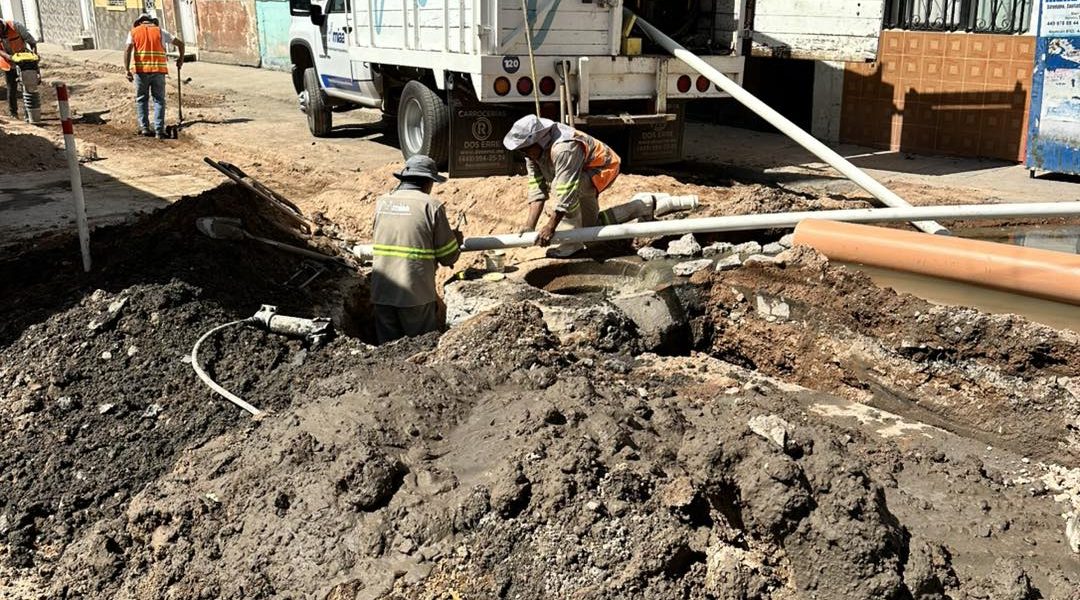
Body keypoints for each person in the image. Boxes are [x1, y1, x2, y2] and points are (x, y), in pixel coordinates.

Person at [371, 155, 463, 344]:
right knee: (420, 348)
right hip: (415, 295)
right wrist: (455, 240)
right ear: (428, 182)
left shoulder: (382, 202)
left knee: (386, 352)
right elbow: (448, 256)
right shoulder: (431, 206)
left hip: (381, 292)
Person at [503, 115, 621, 258]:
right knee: (591, 229)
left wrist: (551, 226)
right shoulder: (532, 153)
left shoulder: (564, 148)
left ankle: (571, 243)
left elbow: (567, 191)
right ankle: (643, 206)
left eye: (526, 150)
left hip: (603, 169)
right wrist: (530, 226)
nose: (524, 154)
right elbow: (537, 188)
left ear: (538, 142)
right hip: (583, 171)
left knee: (559, 186)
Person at [123, 14, 184, 139]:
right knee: (159, 100)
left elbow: (128, 49)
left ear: (139, 22)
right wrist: (180, 59)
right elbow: (181, 44)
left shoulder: (133, 32)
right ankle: (159, 130)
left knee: (141, 99)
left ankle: (144, 128)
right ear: (152, 21)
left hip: (141, 72)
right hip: (158, 71)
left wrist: (126, 70)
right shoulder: (161, 31)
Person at [0, 19, 38, 120]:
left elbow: (32, 42)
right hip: (8, 62)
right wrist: (9, 57)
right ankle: (13, 113)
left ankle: (29, 113)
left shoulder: (15, 26)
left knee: (27, 85)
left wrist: (34, 56)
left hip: (23, 59)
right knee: (11, 87)